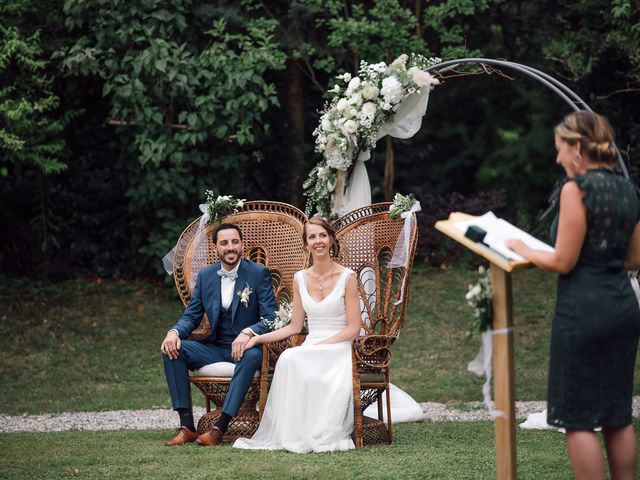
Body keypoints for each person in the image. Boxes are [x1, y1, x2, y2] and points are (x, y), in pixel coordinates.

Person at [506, 111, 640, 480]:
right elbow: (635, 256)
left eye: (560, 149)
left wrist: (523, 247)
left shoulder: (575, 189)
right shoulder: (628, 190)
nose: (557, 158)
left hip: (583, 309)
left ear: (577, 148)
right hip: (623, 307)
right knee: (617, 414)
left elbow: (563, 260)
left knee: (578, 417)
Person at [233, 217, 362, 453]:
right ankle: (294, 431)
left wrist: (323, 344)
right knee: (290, 358)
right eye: (312, 237)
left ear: (331, 239)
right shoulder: (300, 278)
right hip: (312, 346)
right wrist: (258, 338)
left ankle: (320, 429)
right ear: (306, 245)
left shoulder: (348, 277)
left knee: (294, 357)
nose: (318, 241)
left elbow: (354, 328)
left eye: (322, 235)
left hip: (340, 345)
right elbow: (294, 327)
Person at [161, 223, 277, 447]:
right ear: (215, 247)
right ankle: (187, 427)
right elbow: (192, 315)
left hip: (248, 346)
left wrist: (248, 332)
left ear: (242, 245)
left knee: (252, 355)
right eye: (224, 243)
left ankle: (219, 428)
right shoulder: (206, 276)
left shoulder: (258, 273)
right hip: (215, 346)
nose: (230, 247)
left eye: (234, 242)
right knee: (172, 350)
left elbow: (271, 317)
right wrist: (174, 332)